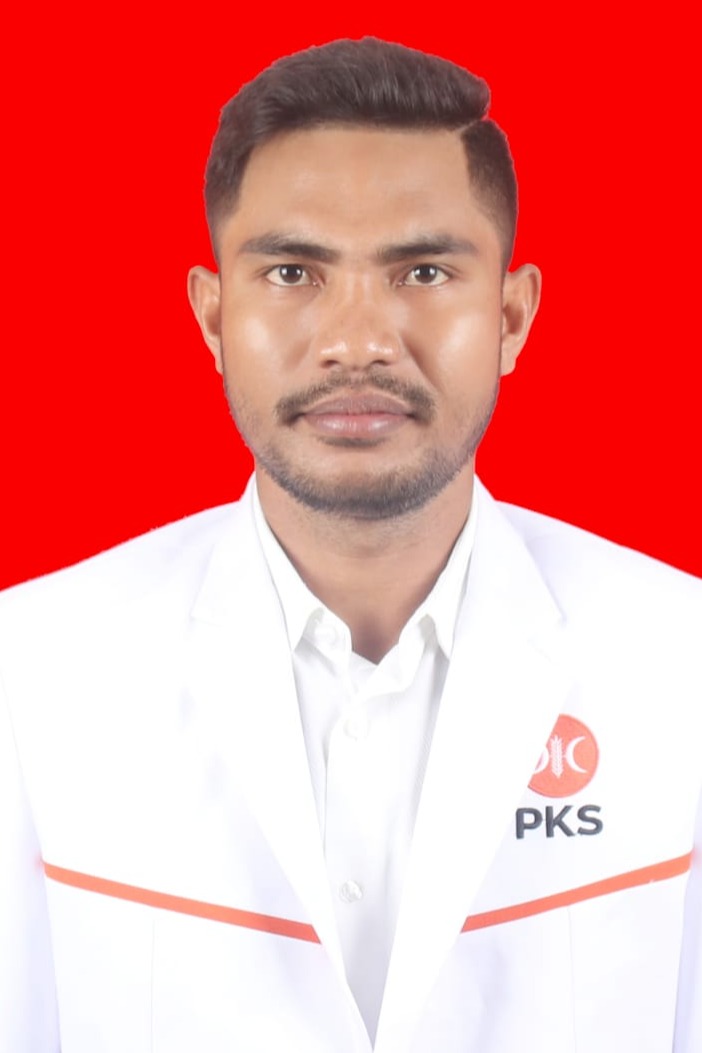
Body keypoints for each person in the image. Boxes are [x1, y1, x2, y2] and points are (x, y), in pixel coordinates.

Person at [0, 37, 700, 1053]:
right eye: (293, 272)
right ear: (213, 318)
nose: (357, 342)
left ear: (510, 316)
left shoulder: (679, 663)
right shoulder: (33, 670)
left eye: (424, 270)